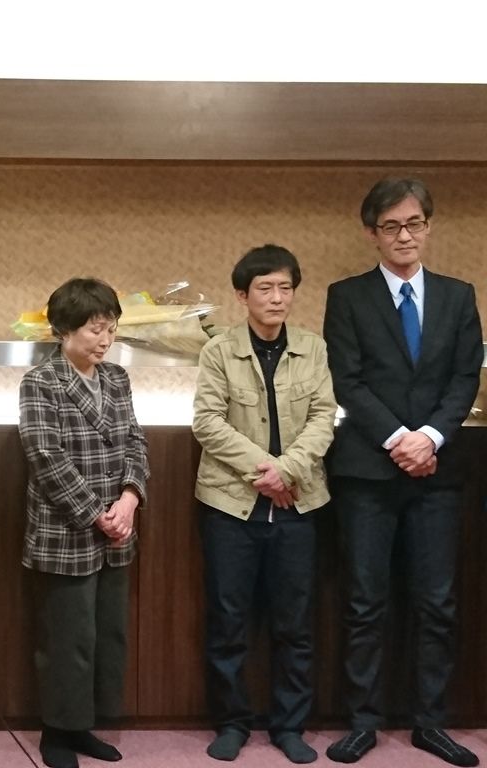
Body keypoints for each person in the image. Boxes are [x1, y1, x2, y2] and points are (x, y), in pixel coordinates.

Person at [323, 178, 483, 766]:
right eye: (391, 226)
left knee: (436, 603)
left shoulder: (459, 296)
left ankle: (430, 723)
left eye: (414, 223)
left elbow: (465, 378)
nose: (404, 235)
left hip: (438, 473)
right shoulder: (347, 296)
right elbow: (347, 380)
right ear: (372, 234)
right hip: (368, 471)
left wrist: (431, 437)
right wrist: (399, 440)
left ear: (428, 226)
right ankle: (362, 722)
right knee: (365, 601)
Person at [192, 245, 336, 764]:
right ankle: (232, 723)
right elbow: (207, 422)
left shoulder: (313, 348)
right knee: (228, 621)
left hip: (299, 505)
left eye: (285, 288)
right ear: (242, 295)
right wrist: (266, 471)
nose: (277, 298)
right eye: (265, 288)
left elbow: (323, 417)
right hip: (230, 507)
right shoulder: (219, 351)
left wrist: (287, 470)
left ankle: (289, 726)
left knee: (294, 625)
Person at [18, 277, 148, 768]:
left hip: (117, 528)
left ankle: (84, 725)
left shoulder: (117, 378)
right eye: (95, 329)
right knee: (66, 639)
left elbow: (136, 441)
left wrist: (130, 499)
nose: (105, 339)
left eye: (110, 328)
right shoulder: (40, 381)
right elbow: (45, 456)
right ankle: (57, 733)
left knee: (106, 634)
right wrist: (97, 513)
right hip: (65, 531)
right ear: (64, 329)